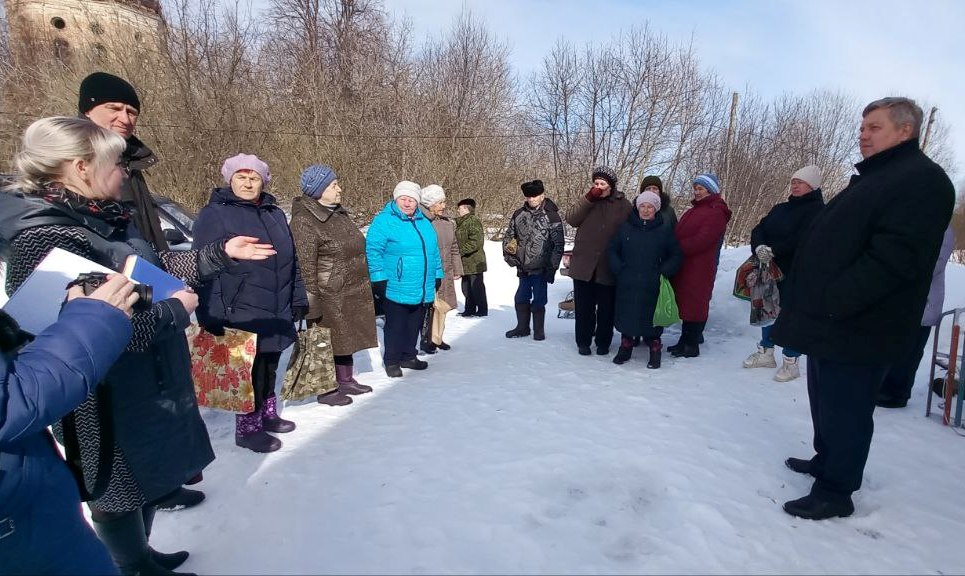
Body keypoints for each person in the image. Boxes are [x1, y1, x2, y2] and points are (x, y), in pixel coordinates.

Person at [3, 117, 273, 574]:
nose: (124, 172)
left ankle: (142, 553)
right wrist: (174, 312)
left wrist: (218, 255)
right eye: (114, 163)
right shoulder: (43, 240)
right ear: (81, 167)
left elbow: (151, 264)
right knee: (119, 488)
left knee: (149, 477)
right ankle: (131, 563)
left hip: (151, 379)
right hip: (107, 398)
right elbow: (82, 333)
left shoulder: (103, 217)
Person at [774, 97, 955, 520]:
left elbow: (895, 258)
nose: (863, 134)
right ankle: (825, 461)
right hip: (830, 319)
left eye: (873, 127)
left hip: (860, 323)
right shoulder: (875, 177)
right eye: (862, 128)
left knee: (847, 409)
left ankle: (836, 491)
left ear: (904, 130)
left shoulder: (923, 181)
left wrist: (837, 299)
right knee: (824, 400)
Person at [78, 71, 201, 511]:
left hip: (150, 295)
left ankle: (161, 485)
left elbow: (149, 247)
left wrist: (207, 262)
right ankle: (132, 536)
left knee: (159, 406)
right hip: (107, 311)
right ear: (86, 112)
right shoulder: (79, 173)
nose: (125, 118)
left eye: (131, 110)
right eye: (114, 108)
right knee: (120, 426)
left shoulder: (132, 169)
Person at [1, 276, 135, 575]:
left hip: (32, 504)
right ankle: (135, 560)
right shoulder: (38, 236)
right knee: (117, 489)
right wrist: (91, 319)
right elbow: (13, 399)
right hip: (19, 533)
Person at [193, 154, 309, 453]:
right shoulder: (215, 213)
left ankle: (267, 414)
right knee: (249, 369)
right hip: (239, 305)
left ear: (263, 181)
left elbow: (292, 260)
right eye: (241, 176)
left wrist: (297, 298)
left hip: (276, 302)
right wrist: (210, 312)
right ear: (229, 180)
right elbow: (202, 266)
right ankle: (247, 427)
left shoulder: (275, 214)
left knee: (270, 362)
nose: (247, 182)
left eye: (254, 177)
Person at [290, 164, 378, 404]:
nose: (340, 189)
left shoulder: (338, 213)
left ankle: (346, 379)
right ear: (318, 190)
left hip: (349, 288)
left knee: (344, 337)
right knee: (324, 339)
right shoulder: (304, 221)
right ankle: (326, 388)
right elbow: (305, 265)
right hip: (327, 292)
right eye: (333, 185)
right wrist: (310, 302)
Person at [743, 165, 825, 382]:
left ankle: (791, 361)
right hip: (769, 268)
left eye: (800, 182)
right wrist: (759, 246)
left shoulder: (818, 211)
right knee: (767, 308)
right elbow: (759, 228)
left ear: (812, 185)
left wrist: (774, 250)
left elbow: (806, 238)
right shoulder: (781, 208)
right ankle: (766, 353)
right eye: (793, 181)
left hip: (798, 271)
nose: (795, 185)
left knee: (791, 314)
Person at [365, 181, 443, 378]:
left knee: (414, 323)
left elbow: (433, 252)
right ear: (396, 198)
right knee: (395, 325)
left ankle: (409, 355)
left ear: (417, 202)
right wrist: (378, 277)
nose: (407, 203)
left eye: (411, 200)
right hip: (395, 284)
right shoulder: (384, 221)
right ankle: (392, 360)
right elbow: (373, 250)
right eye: (403, 199)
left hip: (421, 284)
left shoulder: (424, 222)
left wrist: (437, 275)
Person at [876, 226, 956, 408]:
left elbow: (934, 264)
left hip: (924, 303)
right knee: (896, 348)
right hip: (906, 302)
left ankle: (897, 393)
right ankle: (886, 388)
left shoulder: (943, 229)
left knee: (910, 352)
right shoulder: (919, 222)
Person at [607, 190, 682, 368]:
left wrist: (664, 271)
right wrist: (619, 268)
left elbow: (676, 255)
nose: (646, 210)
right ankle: (625, 347)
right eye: (643, 206)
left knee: (651, 317)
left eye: (650, 207)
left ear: (656, 209)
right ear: (637, 207)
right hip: (628, 280)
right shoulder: (626, 227)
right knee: (627, 314)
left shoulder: (664, 230)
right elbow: (612, 250)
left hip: (652, 281)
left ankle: (655, 349)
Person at [565, 167, 632, 356]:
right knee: (584, 308)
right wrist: (589, 198)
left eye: (603, 184)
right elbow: (571, 219)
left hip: (607, 265)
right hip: (584, 264)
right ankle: (583, 342)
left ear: (611, 186)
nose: (599, 187)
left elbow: (631, 230)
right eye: (596, 183)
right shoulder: (588, 201)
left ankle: (603, 342)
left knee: (606, 309)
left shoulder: (623, 204)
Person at [668, 173, 731, 358]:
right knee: (687, 303)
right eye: (695, 188)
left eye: (700, 188)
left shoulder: (715, 211)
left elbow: (703, 240)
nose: (696, 192)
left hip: (699, 266)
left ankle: (691, 344)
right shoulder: (696, 209)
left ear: (710, 190)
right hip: (687, 264)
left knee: (695, 304)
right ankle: (684, 341)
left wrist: (677, 248)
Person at [503, 180, 565, 341]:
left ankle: (539, 330)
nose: (531, 199)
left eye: (534, 196)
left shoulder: (552, 215)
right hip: (522, 265)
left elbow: (558, 244)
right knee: (520, 298)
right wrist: (509, 256)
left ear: (542, 195)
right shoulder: (518, 214)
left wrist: (552, 267)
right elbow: (509, 236)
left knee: (539, 299)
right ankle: (522, 327)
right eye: (528, 196)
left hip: (541, 267)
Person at [419, 185, 464, 353]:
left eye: (444, 201)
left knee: (442, 305)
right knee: (430, 307)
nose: (443, 206)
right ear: (430, 203)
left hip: (445, 270)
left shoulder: (447, 223)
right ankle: (427, 339)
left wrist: (457, 268)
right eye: (440, 202)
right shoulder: (422, 222)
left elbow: (454, 247)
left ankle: (437, 338)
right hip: (429, 272)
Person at [454, 198, 488, 317]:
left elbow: (476, 242)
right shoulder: (462, 222)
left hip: (474, 261)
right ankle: (470, 309)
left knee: (476, 288)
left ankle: (482, 310)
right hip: (465, 262)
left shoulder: (473, 221)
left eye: (459, 208)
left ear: (465, 208)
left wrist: (460, 251)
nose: (458, 211)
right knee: (466, 288)